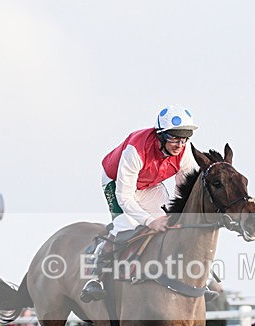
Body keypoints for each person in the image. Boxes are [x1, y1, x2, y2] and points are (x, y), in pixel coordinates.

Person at [80, 104, 200, 302]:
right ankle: (95, 277)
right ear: (161, 135)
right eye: (174, 138)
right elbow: (125, 196)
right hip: (117, 183)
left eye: (185, 138)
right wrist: (149, 221)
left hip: (149, 186)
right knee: (125, 226)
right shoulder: (136, 150)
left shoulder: (184, 153)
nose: (180, 144)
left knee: (170, 224)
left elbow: (182, 192)